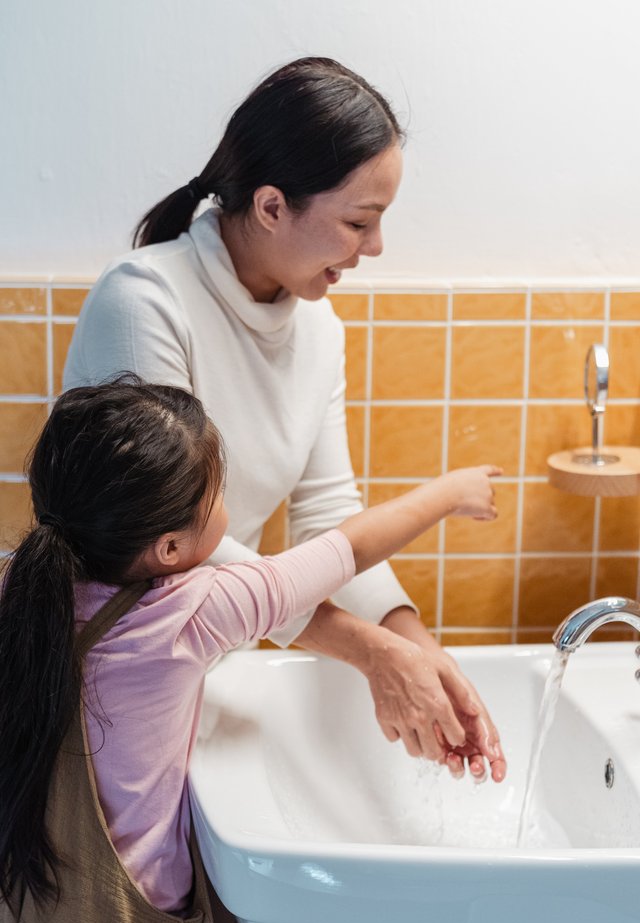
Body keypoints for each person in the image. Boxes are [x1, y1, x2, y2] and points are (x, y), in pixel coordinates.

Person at [64, 56, 507, 783]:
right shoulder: (144, 303)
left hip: (212, 670)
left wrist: (414, 644)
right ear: (272, 206)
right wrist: (370, 652)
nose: (375, 248)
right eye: (359, 221)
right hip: (114, 694)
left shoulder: (319, 328)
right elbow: (172, 544)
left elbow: (328, 512)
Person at [0, 378, 500, 923]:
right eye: (217, 495)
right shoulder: (191, 612)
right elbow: (348, 550)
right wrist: (449, 493)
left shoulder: (18, 589)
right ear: (169, 549)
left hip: (27, 904)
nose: (226, 508)